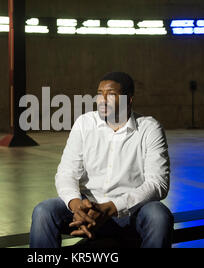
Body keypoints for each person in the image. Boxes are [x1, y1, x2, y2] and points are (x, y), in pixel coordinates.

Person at [30, 72, 173, 248]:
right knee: (43, 212)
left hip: (130, 211)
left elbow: (158, 183)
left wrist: (111, 207)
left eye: (111, 94)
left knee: (159, 216)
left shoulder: (149, 129)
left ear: (129, 100)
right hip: (87, 206)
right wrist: (77, 207)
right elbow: (66, 173)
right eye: (99, 93)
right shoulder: (84, 123)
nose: (102, 100)